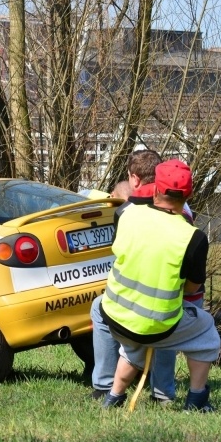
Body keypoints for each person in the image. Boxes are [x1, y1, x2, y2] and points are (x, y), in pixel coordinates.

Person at [97, 161, 220, 412]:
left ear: (155, 189)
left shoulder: (125, 213)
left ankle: (113, 397)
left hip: (113, 314)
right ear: (189, 195)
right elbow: (191, 288)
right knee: (207, 333)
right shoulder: (194, 238)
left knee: (133, 345)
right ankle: (197, 401)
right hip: (155, 326)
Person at [91, 150, 181, 403]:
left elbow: (122, 254)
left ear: (134, 178)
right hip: (171, 296)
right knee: (171, 319)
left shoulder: (126, 212)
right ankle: (163, 392)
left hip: (134, 298)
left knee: (99, 307)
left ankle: (104, 385)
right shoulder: (180, 208)